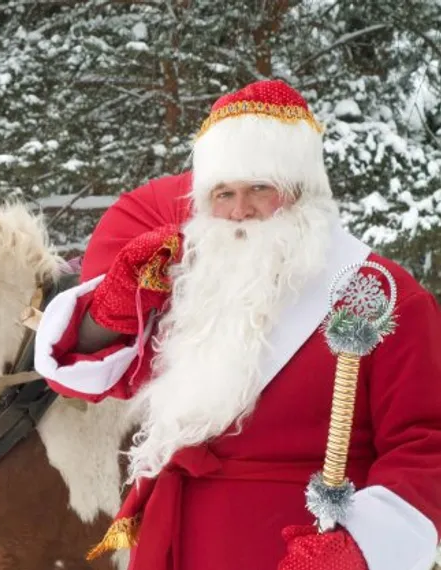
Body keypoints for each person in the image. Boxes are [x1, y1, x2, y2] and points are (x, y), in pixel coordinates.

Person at [33, 79, 441, 570]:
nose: (239, 211)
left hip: (296, 549)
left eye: (259, 188)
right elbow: (83, 376)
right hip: (175, 545)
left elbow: (426, 444)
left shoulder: (380, 295)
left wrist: (357, 548)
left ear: (301, 190)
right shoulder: (196, 289)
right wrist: (112, 308)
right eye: (223, 193)